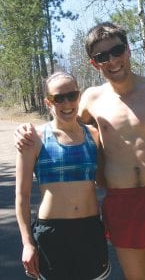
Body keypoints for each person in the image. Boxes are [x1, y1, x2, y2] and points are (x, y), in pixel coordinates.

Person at [15, 22, 145, 280]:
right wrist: (28, 131)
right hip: (121, 204)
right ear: (94, 63)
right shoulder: (91, 99)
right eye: (102, 56)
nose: (112, 60)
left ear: (128, 50)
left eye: (117, 50)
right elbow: (62, 118)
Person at [15, 72, 111, 280]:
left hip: (90, 230)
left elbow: (107, 181)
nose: (66, 103)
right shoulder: (33, 138)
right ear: (48, 102)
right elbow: (22, 196)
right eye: (58, 98)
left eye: (72, 95)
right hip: (52, 234)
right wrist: (27, 243)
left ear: (79, 96)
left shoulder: (94, 135)